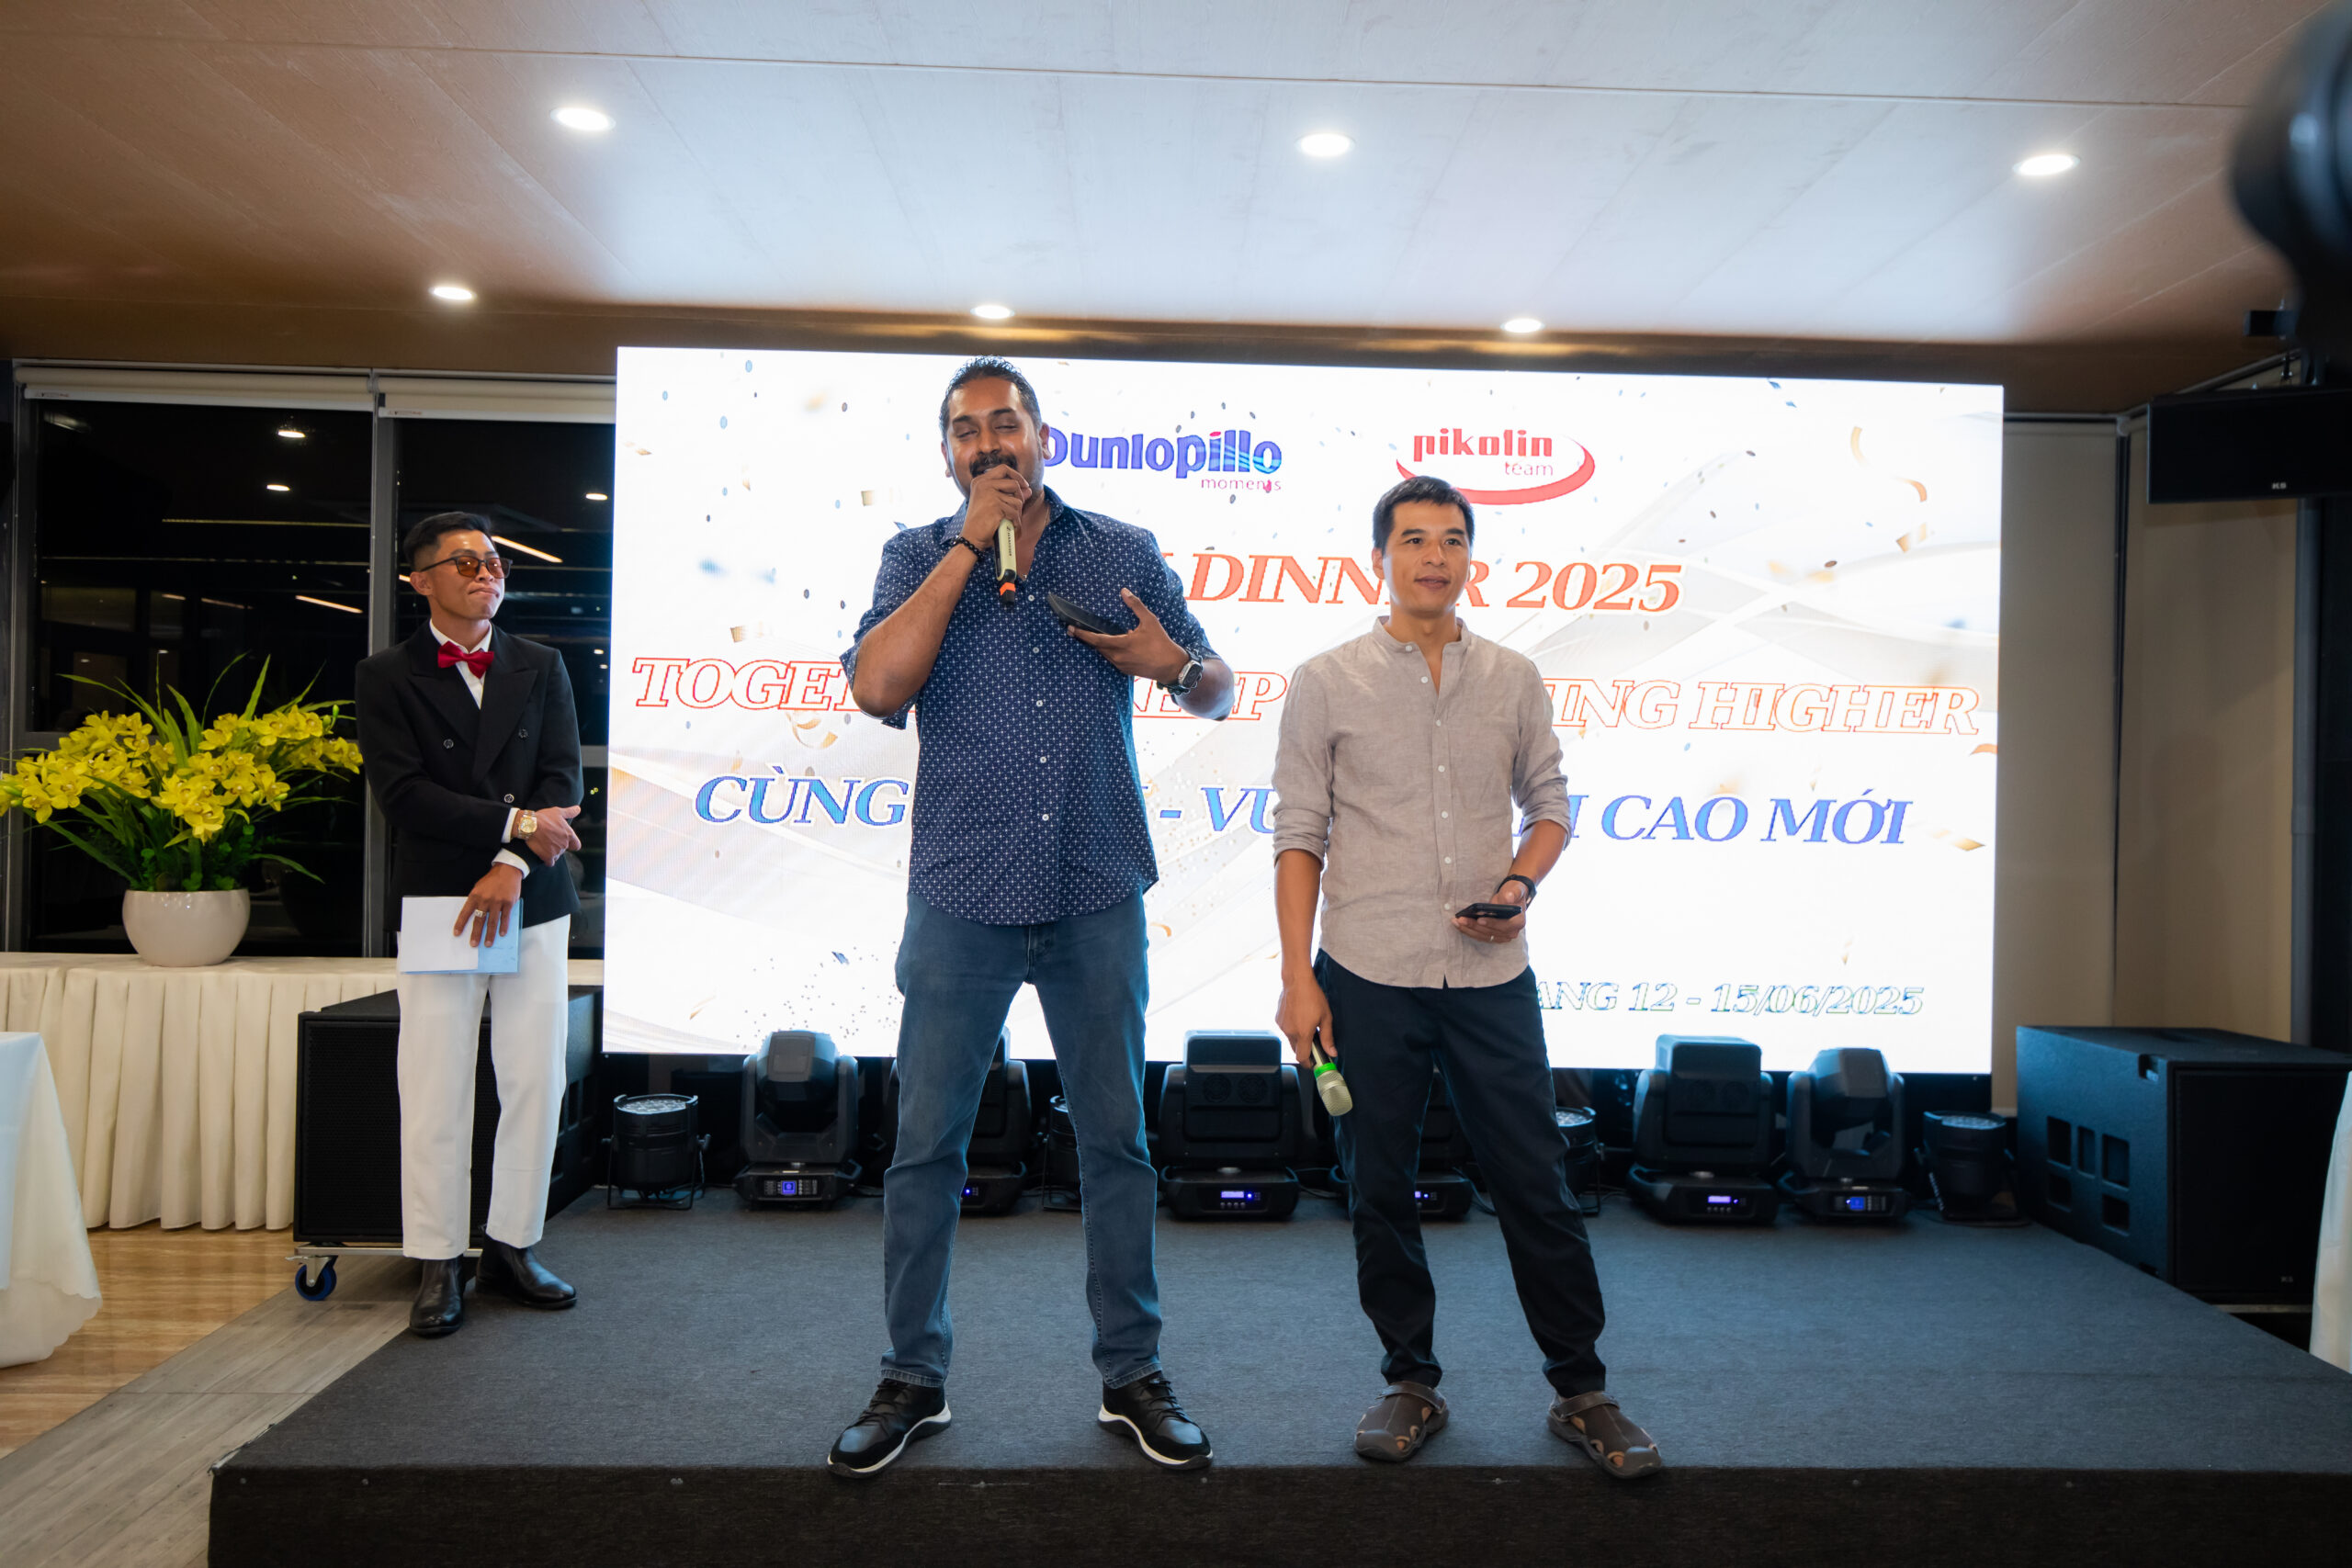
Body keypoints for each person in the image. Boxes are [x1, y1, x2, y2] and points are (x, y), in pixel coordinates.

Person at [829, 356, 1235, 1478]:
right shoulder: (916, 555)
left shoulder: (1121, 550)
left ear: (1044, 437)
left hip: (1095, 881)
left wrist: (1173, 665)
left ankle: (1131, 1374)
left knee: (1117, 1144)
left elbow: (1217, 689)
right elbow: (876, 689)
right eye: (965, 431)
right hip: (962, 891)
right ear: (947, 456)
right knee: (926, 1148)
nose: (988, 442)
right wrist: (969, 544)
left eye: (1005, 422)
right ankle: (912, 1376)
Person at [1268, 474, 1662, 1478]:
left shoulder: (1513, 677)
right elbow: (1298, 835)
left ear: (1469, 558)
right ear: (1380, 559)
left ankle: (1582, 1390)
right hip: (1366, 971)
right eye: (1413, 539)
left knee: (1536, 1181)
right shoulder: (1325, 681)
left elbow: (1551, 805)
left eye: (1450, 539)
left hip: (1491, 974)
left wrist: (1520, 885)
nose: (1433, 556)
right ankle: (1410, 1380)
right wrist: (1297, 979)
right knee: (1378, 1187)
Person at [355, 512, 586, 1338]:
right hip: (441, 903)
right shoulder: (386, 675)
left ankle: (512, 1246)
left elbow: (563, 781)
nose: (486, 572)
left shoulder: (542, 663)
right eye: (464, 562)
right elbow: (405, 795)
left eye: (493, 561)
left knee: (534, 1077)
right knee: (435, 1081)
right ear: (420, 579)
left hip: (530, 897)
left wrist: (512, 862)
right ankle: (437, 1258)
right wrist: (516, 826)